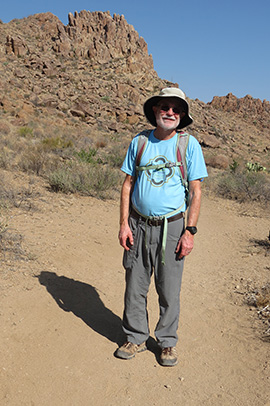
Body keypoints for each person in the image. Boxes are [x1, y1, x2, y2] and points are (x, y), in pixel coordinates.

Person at [116, 87, 208, 367]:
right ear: (155, 111)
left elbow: (196, 191)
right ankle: (136, 337)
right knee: (135, 285)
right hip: (139, 224)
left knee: (169, 288)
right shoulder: (140, 142)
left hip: (173, 227)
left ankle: (167, 342)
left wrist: (190, 232)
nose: (170, 113)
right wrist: (124, 225)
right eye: (165, 108)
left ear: (182, 116)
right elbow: (127, 184)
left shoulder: (187, 145)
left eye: (176, 110)